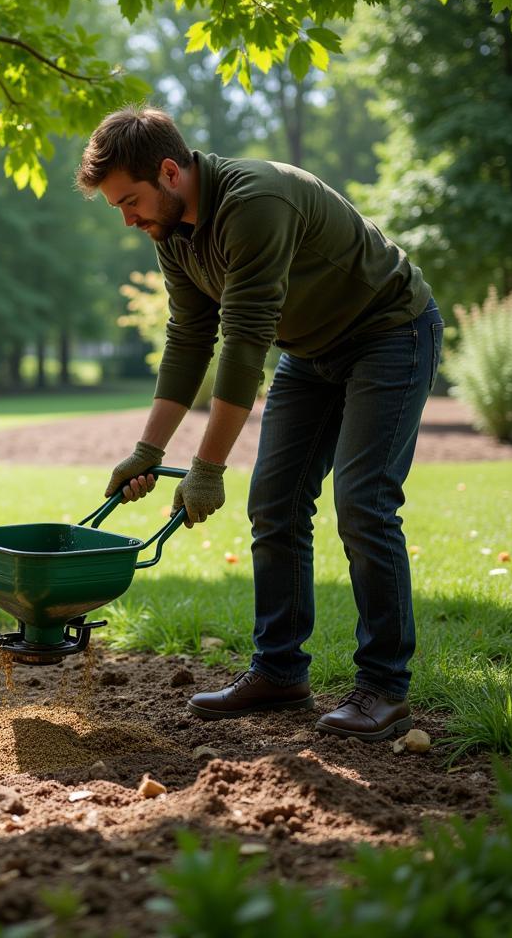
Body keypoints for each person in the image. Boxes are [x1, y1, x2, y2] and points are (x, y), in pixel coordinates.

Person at [75, 105, 443, 742]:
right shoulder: (173, 235)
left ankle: (384, 688)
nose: (128, 219)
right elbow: (190, 339)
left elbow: (243, 343)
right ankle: (280, 672)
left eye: (130, 201)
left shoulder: (256, 201)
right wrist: (147, 449)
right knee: (273, 503)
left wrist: (208, 468)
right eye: (118, 209)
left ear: (169, 172)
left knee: (364, 504)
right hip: (310, 350)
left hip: (388, 333)